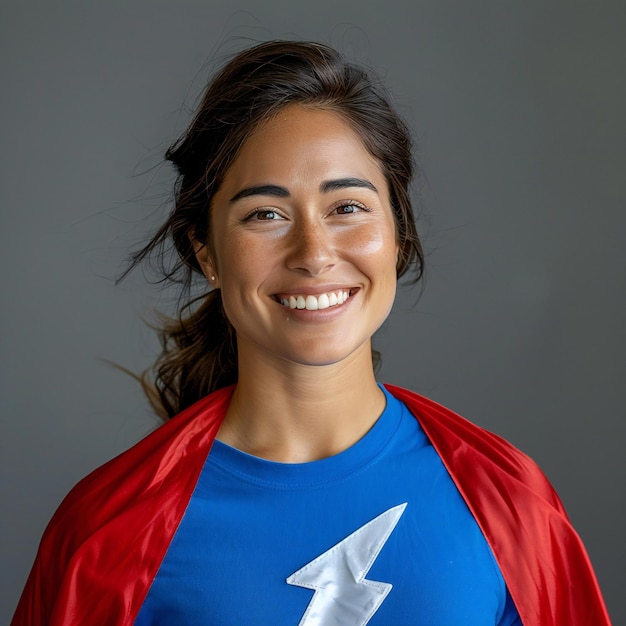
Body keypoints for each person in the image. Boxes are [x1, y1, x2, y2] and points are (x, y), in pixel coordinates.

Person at [12, 40, 610, 626]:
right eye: (265, 215)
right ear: (207, 251)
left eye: (347, 206)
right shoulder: (106, 530)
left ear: (397, 233)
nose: (314, 253)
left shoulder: (508, 499)